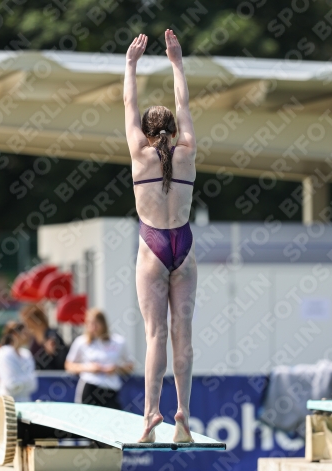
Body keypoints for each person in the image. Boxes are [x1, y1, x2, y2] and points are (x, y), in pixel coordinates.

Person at [124, 30, 197, 443]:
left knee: (156, 335)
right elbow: (184, 104)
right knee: (182, 336)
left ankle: (151, 416)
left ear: (149, 133)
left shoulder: (139, 152)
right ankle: (183, 417)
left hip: (153, 246)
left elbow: (128, 105)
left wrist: (131, 64)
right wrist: (176, 61)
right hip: (182, 247)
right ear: (171, 128)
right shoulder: (186, 151)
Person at [65, 308, 134, 409]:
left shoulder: (118, 341)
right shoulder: (81, 341)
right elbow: (69, 365)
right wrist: (88, 368)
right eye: (90, 323)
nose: (93, 327)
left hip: (111, 388)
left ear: (103, 323)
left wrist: (116, 369)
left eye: (96, 323)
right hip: (90, 386)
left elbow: (130, 366)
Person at [20, 304, 68, 370]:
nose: (26, 326)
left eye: (27, 322)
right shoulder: (33, 339)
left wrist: (47, 354)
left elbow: (62, 362)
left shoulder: (52, 336)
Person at [0, 321, 37, 401]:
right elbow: (11, 384)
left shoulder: (26, 354)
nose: (28, 335)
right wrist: (27, 381)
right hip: (8, 406)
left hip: (26, 403)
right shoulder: (4, 353)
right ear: (15, 334)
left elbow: (34, 384)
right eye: (24, 332)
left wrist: (19, 381)